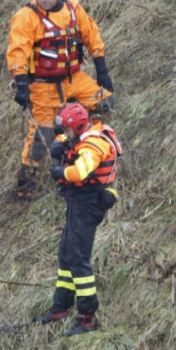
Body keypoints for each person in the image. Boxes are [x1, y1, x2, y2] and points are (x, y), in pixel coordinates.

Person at [6, 0, 115, 201]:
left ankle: (75, 149)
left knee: (104, 103)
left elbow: (91, 36)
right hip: (42, 86)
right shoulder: (27, 17)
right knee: (40, 137)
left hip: (74, 79)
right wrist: (21, 83)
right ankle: (25, 186)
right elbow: (18, 50)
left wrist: (101, 68)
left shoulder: (73, 9)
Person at [34, 102, 122, 336]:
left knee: (78, 258)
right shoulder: (83, 135)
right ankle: (60, 306)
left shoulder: (92, 146)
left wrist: (60, 172)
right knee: (66, 254)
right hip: (78, 202)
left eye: (67, 131)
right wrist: (59, 144)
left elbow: (80, 172)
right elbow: (67, 141)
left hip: (88, 205)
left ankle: (87, 317)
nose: (65, 134)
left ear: (79, 126)